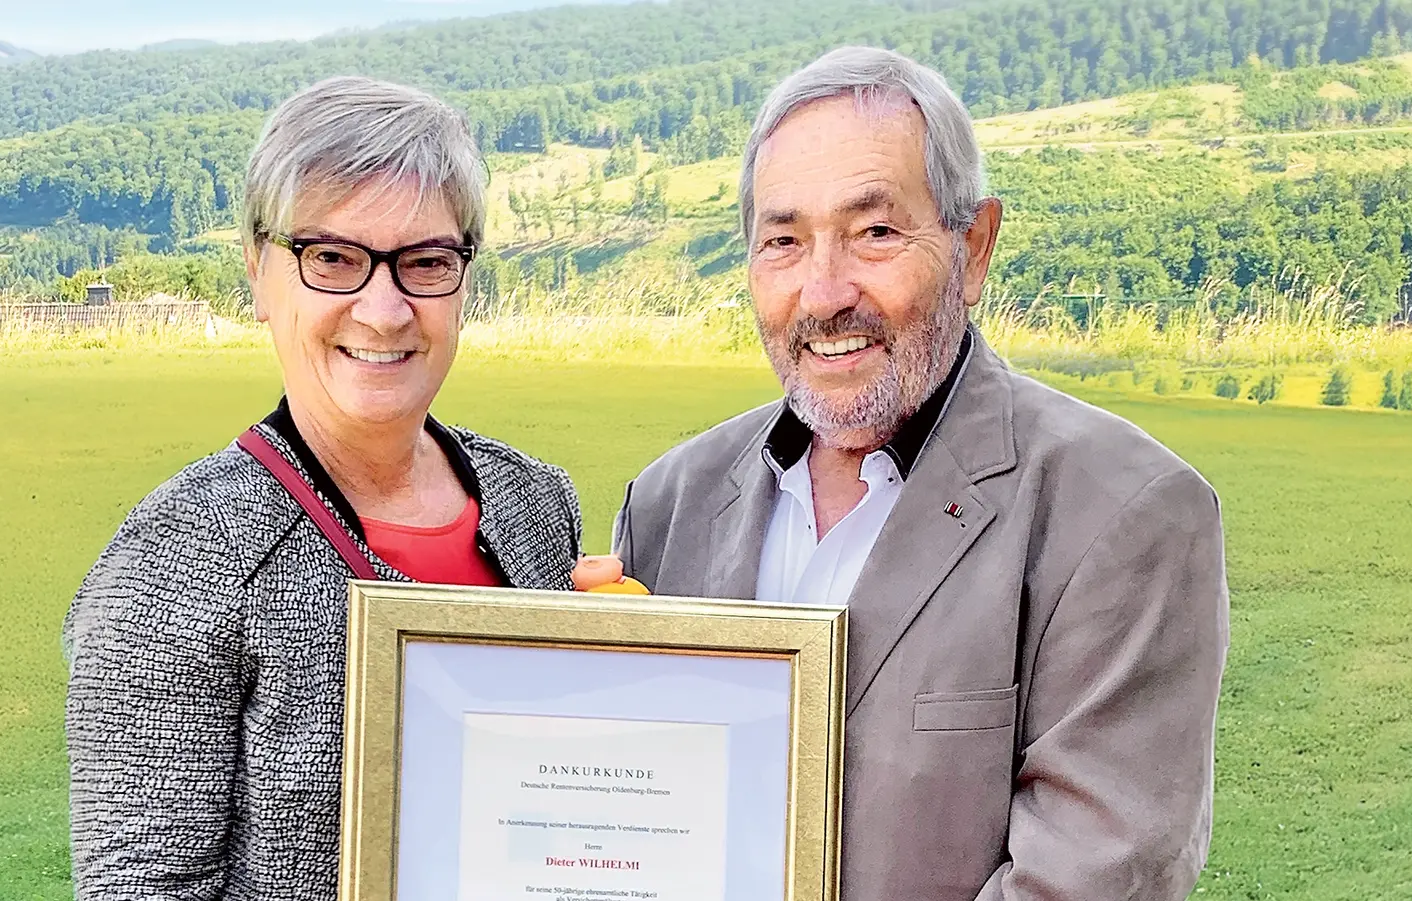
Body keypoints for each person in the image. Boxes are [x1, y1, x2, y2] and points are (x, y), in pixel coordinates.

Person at [612, 47, 1230, 900]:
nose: (824, 293)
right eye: (783, 241)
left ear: (972, 248)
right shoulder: (667, 503)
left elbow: (1092, 878)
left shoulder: (1126, 513)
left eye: (874, 232)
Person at [62, 76, 583, 897]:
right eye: (332, 258)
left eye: (425, 262)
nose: (384, 309)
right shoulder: (178, 557)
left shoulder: (537, 506)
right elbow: (142, 884)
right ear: (258, 271)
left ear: (465, 278)